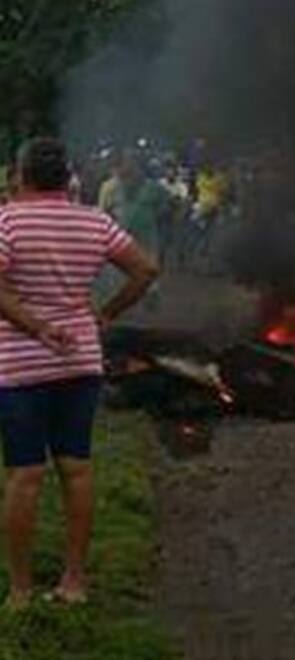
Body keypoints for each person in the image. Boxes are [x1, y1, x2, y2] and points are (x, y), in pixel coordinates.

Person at [0, 137, 159, 608]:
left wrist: (36, 326)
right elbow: (147, 269)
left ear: (21, 174)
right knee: (77, 469)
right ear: (67, 178)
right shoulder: (94, 221)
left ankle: (21, 590)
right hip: (80, 361)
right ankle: (74, 582)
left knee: (25, 476)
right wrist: (106, 313)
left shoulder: (6, 220)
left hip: (19, 365)